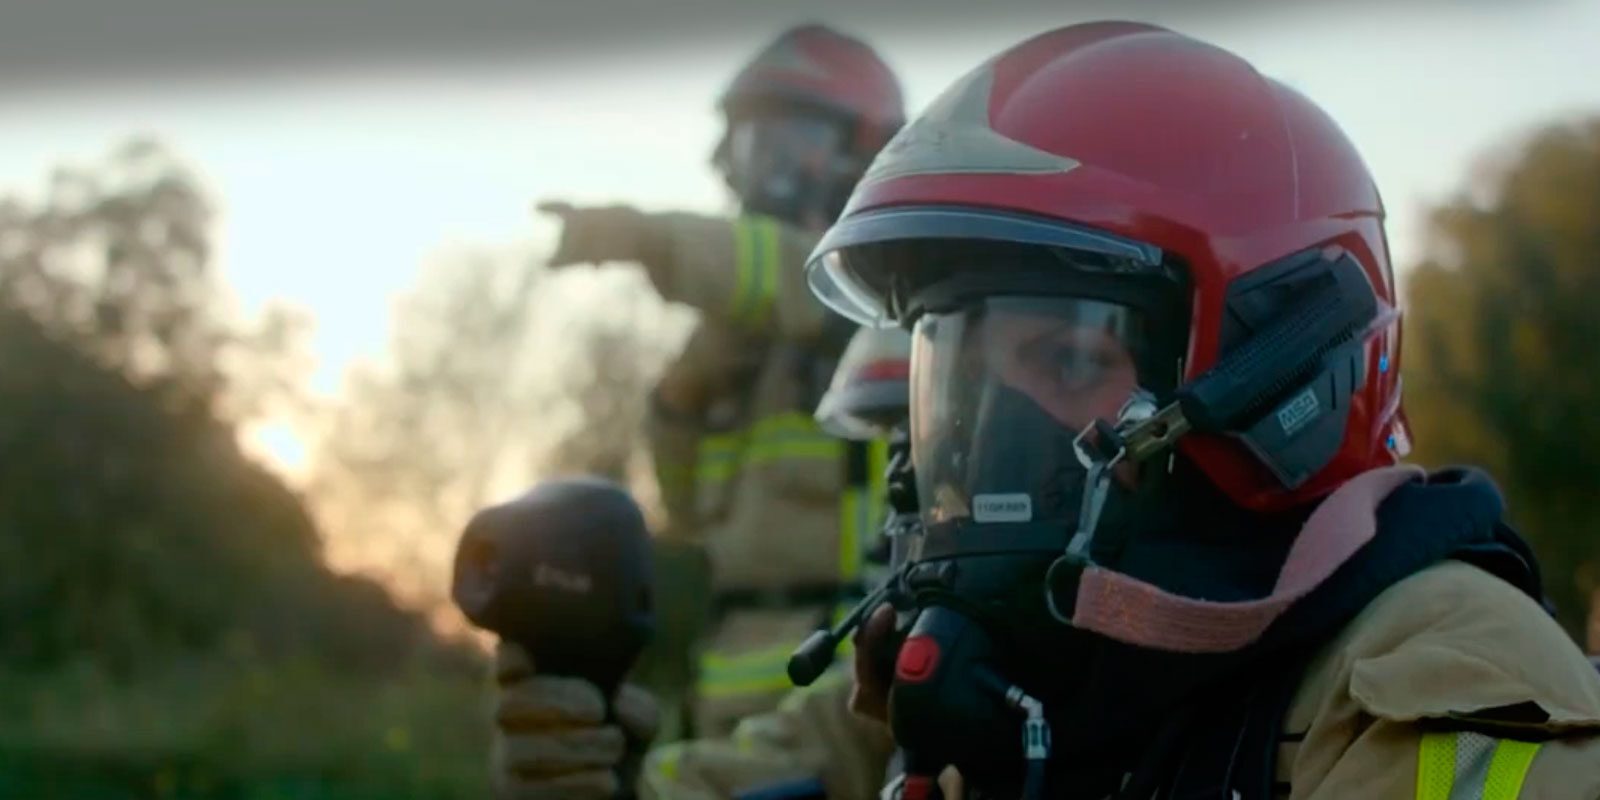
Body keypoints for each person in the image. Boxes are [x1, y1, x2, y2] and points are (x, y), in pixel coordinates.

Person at [796, 20, 1600, 799]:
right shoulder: (1043, 669)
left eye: (1070, 360)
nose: (988, 437)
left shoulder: (1446, 687)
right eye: (966, 380)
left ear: (1280, 378)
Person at [489, 24, 906, 800]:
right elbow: (686, 507)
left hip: (840, 685)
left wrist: (641, 236)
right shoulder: (738, 344)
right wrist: (679, 401)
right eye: (748, 148)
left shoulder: (870, 295)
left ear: (860, 153)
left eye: (780, 145)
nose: (753, 171)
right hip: (725, 690)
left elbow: (776, 267)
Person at [489, 325, 915, 800]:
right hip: (746, 684)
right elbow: (757, 773)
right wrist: (610, 788)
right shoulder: (875, 718)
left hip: (807, 650)